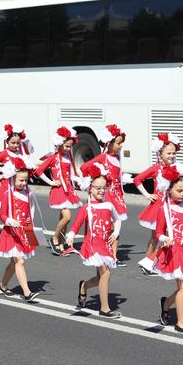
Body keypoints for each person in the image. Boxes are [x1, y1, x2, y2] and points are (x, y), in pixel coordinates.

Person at [135, 133, 183, 275]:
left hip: (174, 208)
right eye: (168, 153)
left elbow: (178, 189)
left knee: (169, 238)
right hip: (160, 208)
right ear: (160, 154)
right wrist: (148, 195)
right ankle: (148, 263)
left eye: (173, 153)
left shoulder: (176, 169)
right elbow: (137, 179)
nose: (171, 156)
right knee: (156, 237)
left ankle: (159, 263)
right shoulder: (156, 168)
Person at [66, 163, 121, 319]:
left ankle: (84, 286)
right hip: (93, 245)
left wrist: (115, 232)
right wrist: (70, 235)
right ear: (90, 187)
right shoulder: (87, 208)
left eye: (104, 188)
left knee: (101, 277)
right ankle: (104, 309)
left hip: (105, 244)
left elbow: (117, 220)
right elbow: (76, 224)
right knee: (106, 273)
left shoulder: (109, 205)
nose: (102, 191)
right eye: (98, 187)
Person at [154, 164, 183, 335]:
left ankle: (166, 303)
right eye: (179, 191)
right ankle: (181, 323)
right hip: (174, 251)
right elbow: (158, 231)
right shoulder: (164, 209)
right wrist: (164, 238)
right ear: (169, 190)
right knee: (182, 286)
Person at [79, 124, 133, 265]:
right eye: (118, 143)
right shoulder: (103, 157)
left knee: (117, 224)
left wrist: (123, 179)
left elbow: (117, 176)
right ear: (109, 143)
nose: (120, 146)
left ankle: (114, 256)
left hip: (117, 196)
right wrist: (95, 178)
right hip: (107, 196)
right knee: (110, 226)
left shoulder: (117, 158)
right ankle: (109, 253)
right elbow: (84, 167)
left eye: (121, 143)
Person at [0, 155, 40, 301]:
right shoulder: (8, 194)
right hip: (11, 232)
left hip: (24, 231)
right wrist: (9, 220)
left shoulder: (29, 192)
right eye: (21, 180)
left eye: (26, 180)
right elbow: (1, 215)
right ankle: (27, 293)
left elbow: (30, 209)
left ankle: (3, 285)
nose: (24, 182)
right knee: (19, 261)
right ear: (13, 178)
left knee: (13, 262)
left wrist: (30, 225)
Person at [35, 126, 82, 255]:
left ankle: (61, 242)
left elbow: (72, 173)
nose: (68, 149)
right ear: (60, 143)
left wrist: (81, 182)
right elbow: (38, 171)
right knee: (67, 217)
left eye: (70, 146)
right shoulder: (53, 157)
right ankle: (54, 238)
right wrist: (51, 182)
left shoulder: (68, 157)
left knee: (64, 217)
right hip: (59, 189)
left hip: (68, 189)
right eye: (66, 146)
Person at [0, 123, 35, 208]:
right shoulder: (4, 153)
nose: (16, 145)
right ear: (7, 141)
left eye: (17, 143)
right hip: (8, 187)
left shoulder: (21, 153)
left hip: (20, 187)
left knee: (19, 211)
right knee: (8, 212)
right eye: (13, 143)